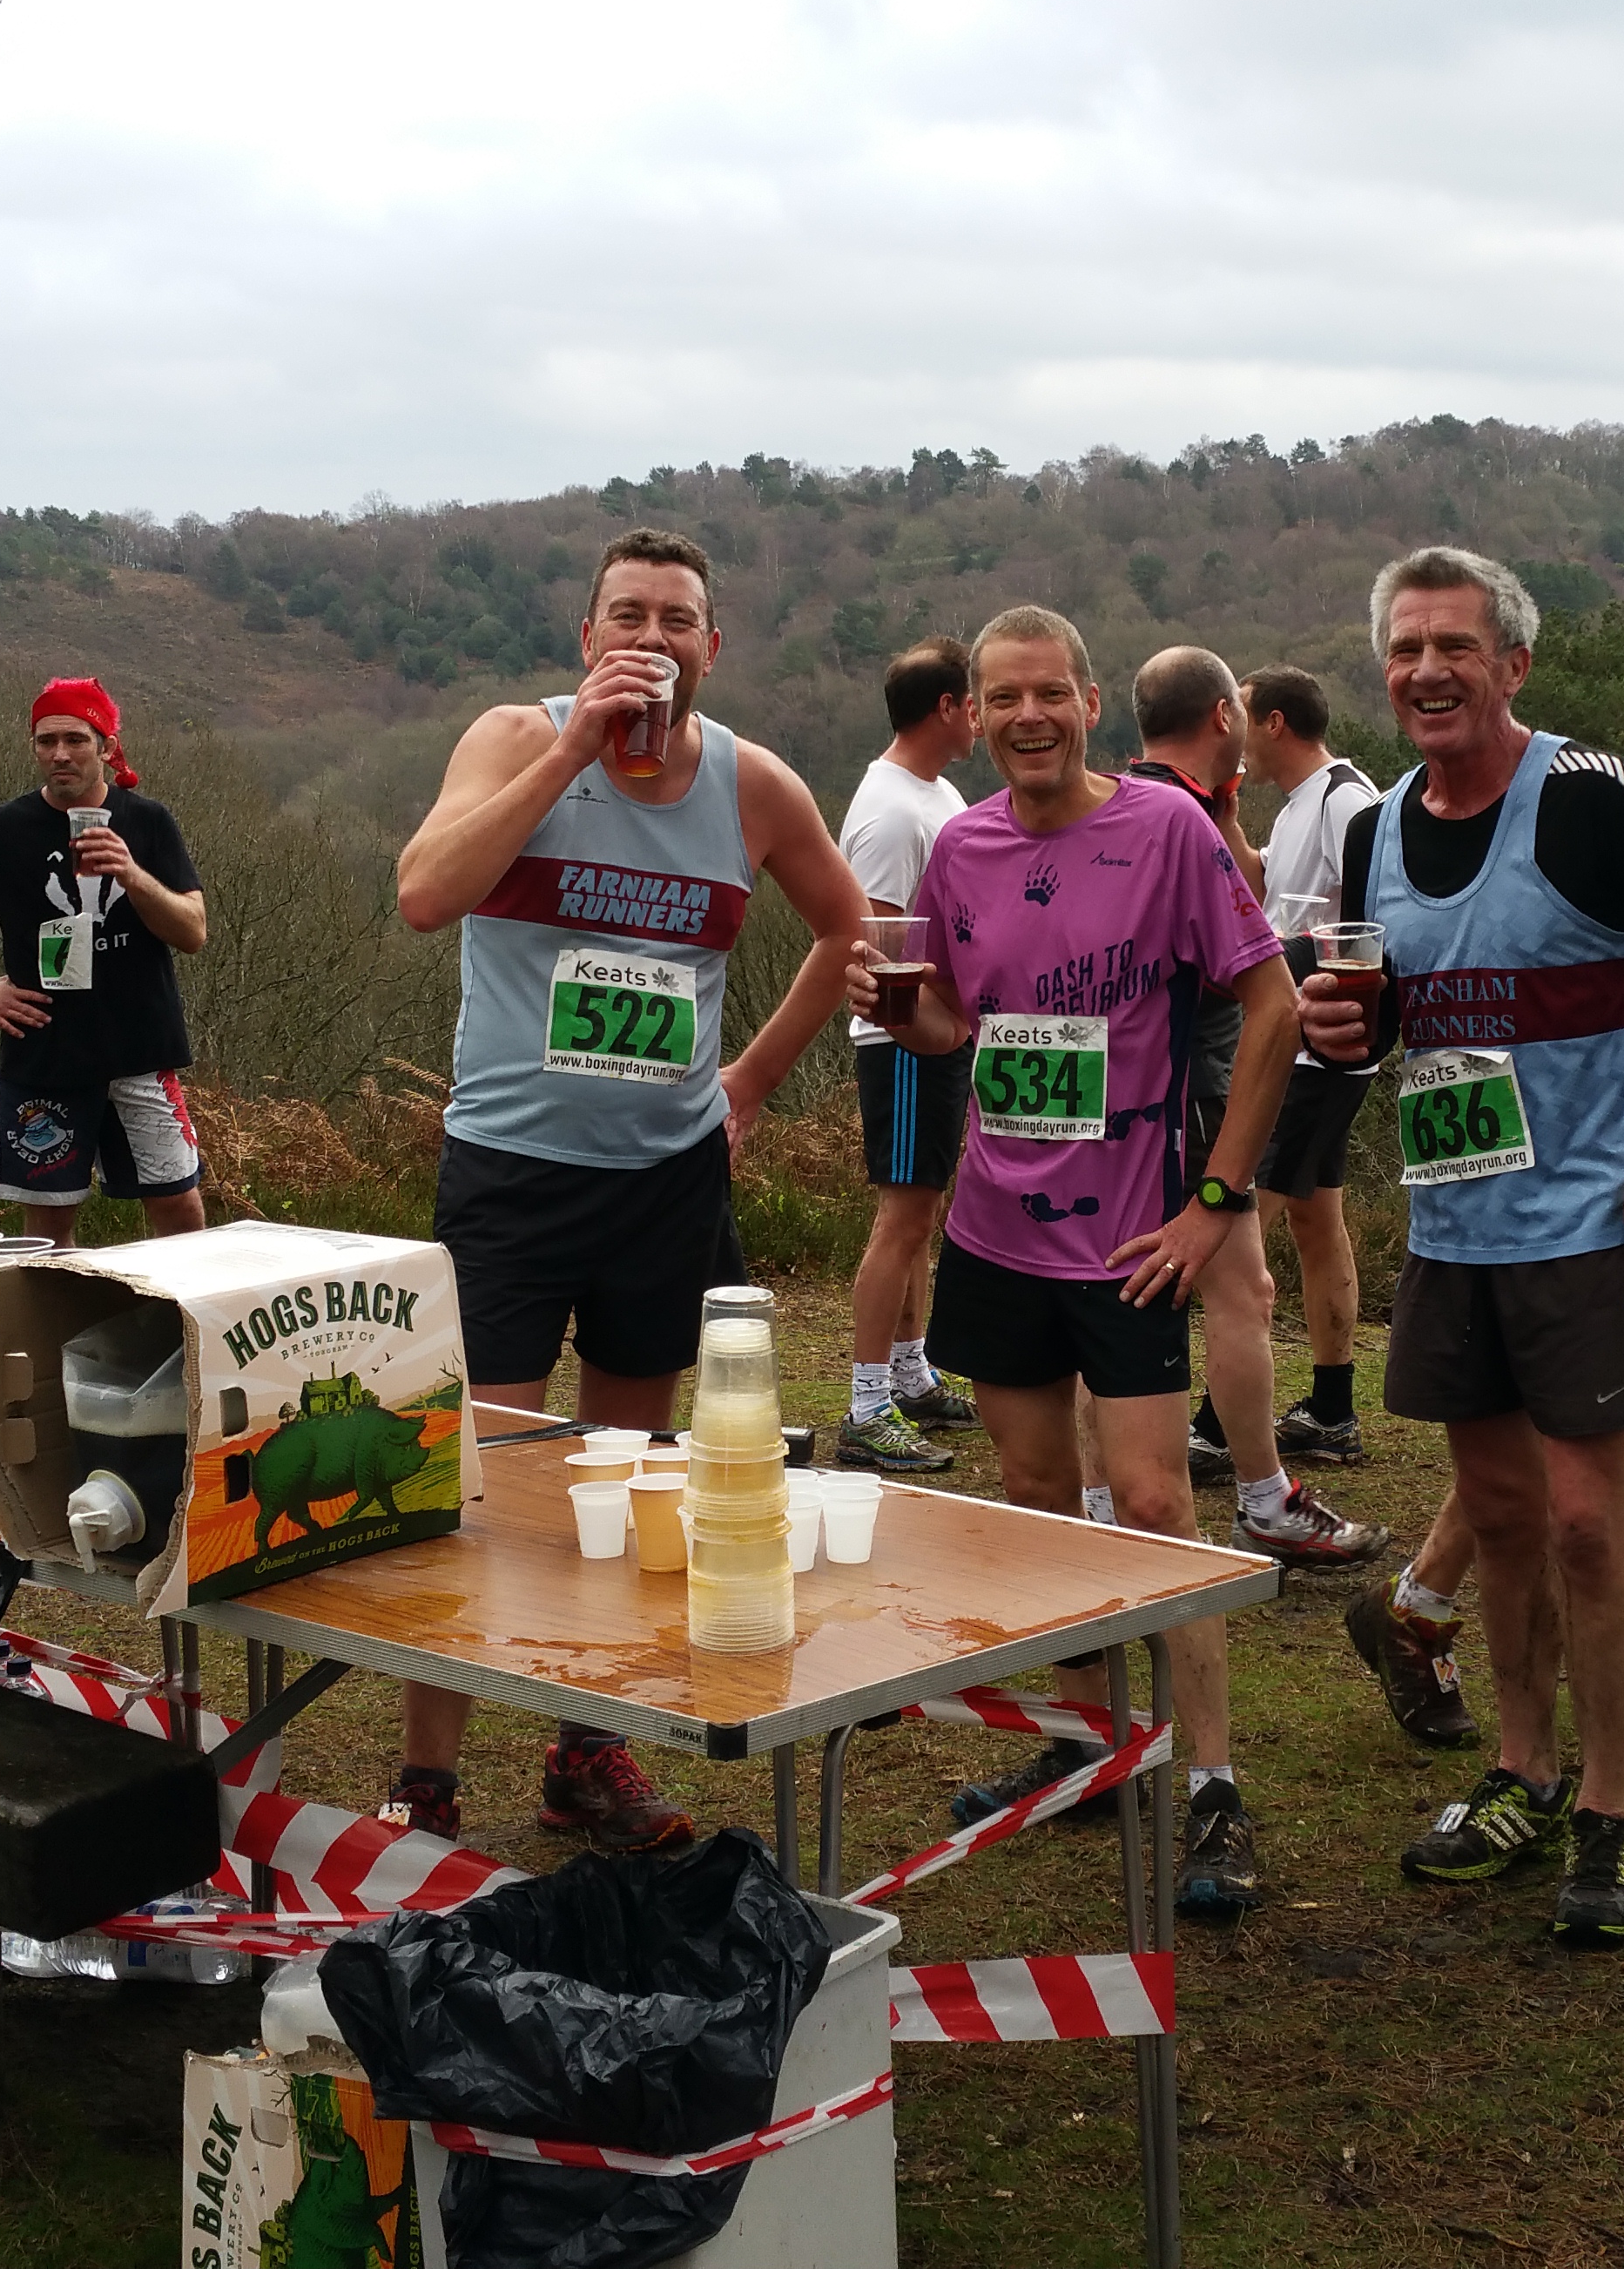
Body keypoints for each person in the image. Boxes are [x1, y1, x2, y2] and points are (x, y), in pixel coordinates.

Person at [1300, 546, 1624, 1948]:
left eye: (1457, 646)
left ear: (1513, 665)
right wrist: (1353, 1028)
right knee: (1509, 1522)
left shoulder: (1584, 794)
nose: (1428, 672)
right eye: (1406, 649)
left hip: (1589, 1221)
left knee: (1588, 1522)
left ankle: (1611, 1813)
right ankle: (1518, 1770)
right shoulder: (1375, 827)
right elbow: (1398, 1014)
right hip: (1456, 1219)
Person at [387, 527, 873, 1853]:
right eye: (627, 618)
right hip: (513, 1175)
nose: (650, 640)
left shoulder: (754, 785)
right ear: (587, 638)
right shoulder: (509, 740)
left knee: (632, 1485)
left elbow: (847, 927)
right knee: (475, 1487)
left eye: (677, 620)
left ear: (712, 646)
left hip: (664, 1183)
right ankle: (427, 1779)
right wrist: (566, 755)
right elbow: (426, 893)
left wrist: (756, 1080)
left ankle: (585, 1752)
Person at [855, 605, 1297, 1917]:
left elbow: (1268, 1004)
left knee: (1157, 1507)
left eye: (1050, 693)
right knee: (1039, 1503)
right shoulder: (964, 844)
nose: (1028, 717)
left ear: (1090, 703)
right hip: (995, 1233)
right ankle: (1090, 1747)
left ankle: (1211, 1785)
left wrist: (1218, 1200)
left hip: (1132, 1238)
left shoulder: (1166, 831)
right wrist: (900, 1007)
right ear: (976, 716)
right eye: (1004, 699)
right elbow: (953, 1024)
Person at [1125, 648, 1382, 1567]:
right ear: (1228, 719)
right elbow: (1250, 970)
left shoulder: (1119, 805)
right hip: (1195, 1088)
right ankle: (1261, 1496)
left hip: (1127, 1096)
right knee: (1241, 1289)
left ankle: (1104, 1489)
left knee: (1170, 1274)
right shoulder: (1185, 819)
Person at [0, 677, 210, 1247]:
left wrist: (132, 875)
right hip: (43, 1055)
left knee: (180, 1207)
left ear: (106, 746)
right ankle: (55, 1337)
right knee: (46, 1227)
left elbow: (193, 932)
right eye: (46, 741)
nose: (59, 753)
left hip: (142, 1051)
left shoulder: (147, 821)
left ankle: (176, 1333)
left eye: (75, 739)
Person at [833, 634, 982, 1475]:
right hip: (902, 1044)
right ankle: (865, 1406)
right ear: (948, 709)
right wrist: (922, 1028)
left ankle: (910, 1373)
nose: (984, 721)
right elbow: (880, 943)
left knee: (919, 1214)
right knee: (902, 1219)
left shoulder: (932, 792)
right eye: (977, 704)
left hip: (942, 1038)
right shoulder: (891, 811)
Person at [1238, 665, 1383, 1471]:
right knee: (1314, 1220)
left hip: (1318, 1050)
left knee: (1240, 1229)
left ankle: (1220, 1424)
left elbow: (1366, 923)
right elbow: (1273, 892)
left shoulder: (1346, 801)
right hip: (1299, 1044)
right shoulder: (1298, 806)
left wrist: (1300, 978)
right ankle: (1332, 1409)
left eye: (1246, 721)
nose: (1237, 740)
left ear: (1276, 723)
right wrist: (1224, 815)